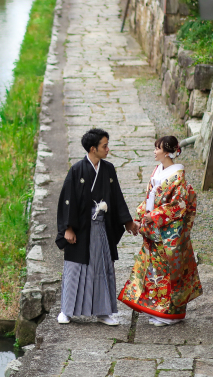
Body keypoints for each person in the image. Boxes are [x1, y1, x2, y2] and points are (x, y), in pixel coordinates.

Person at [56, 128, 139, 326]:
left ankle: (103, 312)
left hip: (101, 227)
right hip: (81, 227)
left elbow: (117, 197)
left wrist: (128, 222)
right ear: (93, 149)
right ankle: (67, 311)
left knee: (102, 266)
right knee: (75, 268)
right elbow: (67, 200)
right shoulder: (77, 170)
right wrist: (68, 228)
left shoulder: (108, 169)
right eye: (104, 146)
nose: (108, 149)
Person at [118, 136, 203, 326]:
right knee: (155, 272)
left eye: (157, 148)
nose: (154, 151)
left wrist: (155, 215)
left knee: (169, 271)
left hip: (169, 231)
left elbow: (177, 206)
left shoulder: (178, 178)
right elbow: (150, 197)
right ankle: (158, 309)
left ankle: (172, 313)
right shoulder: (158, 171)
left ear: (167, 152)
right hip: (154, 228)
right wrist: (143, 215)